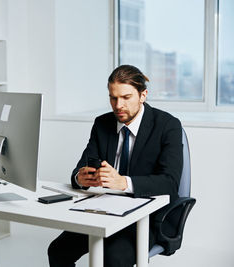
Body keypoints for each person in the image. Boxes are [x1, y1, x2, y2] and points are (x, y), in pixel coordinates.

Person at [48, 65, 183, 267]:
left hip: (145, 217)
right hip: (104, 210)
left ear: (143, 95)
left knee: (113, 259)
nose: (118, 105)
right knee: (58, 251)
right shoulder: (102, 123)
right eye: (113, 98)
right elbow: (81, 167)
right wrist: (80, 178)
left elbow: (170, 183)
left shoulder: (167, 126)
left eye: (126, 97)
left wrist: (123, 182)